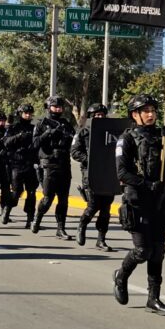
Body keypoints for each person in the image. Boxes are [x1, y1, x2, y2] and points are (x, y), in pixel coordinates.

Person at [112, 94, 165, 316]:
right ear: (135, 114)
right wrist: (144, 183)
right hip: (138, 199)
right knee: (142, 250)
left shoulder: (162, 135)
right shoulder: (127, 139)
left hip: (159, 200)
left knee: (158, 251)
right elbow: (122, 172)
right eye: (145, 111)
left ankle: (154, 298)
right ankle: (121, 276)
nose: (151, 114)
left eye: (153, 110)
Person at [32, 96, 76, 240]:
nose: (57, 109)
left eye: (60, 106)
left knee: (63, 200)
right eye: (55, 106)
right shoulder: (41, 124)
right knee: (48, 198)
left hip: (64, 164)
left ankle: (60, 229)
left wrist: (67, 137)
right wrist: (48, 133)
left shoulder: (66, 124)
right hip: (49, 164)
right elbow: (35, 143)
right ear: (48, 107)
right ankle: (37, 218)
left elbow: (74, 141)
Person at [71, 103, 114, 251]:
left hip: (108, 173)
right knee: (93, 205)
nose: (99, 117)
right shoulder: (83, 131)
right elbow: (75, 152)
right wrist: (90, 159)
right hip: (90, 173)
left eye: (102, 115)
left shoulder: (111, 131)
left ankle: (101, 240)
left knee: (106, 209)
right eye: (96, 115)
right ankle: (82, 225)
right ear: (91, 116)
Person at [3, 104, 39, 229]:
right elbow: (6, 142)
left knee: (32, 192)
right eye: (25, 113)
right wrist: (18, 137)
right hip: (16, 165)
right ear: (20, 114)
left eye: (30, 113)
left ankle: (30, 219)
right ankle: (7, 208)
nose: (28, 115)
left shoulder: (35, 128)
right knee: (17, 191)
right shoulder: (14, 128)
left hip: (31, 165)